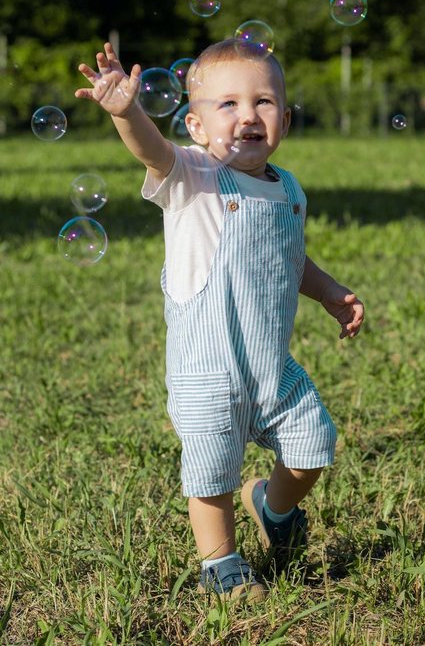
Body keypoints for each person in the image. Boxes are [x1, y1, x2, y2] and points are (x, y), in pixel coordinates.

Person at [76, 39, 364, 603]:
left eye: (265, 101)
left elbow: (288, 256)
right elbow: (152, 151)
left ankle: (273, 505)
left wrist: (328, 291)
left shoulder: (289, 189)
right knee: (211, 476)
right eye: (227, 104)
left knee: (314, 445)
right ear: (197, 124)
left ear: (284, 115)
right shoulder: (194, 177)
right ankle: (222, 562)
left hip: (270, 364)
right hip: (208, 372)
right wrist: (127, 112)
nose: (249, 115)